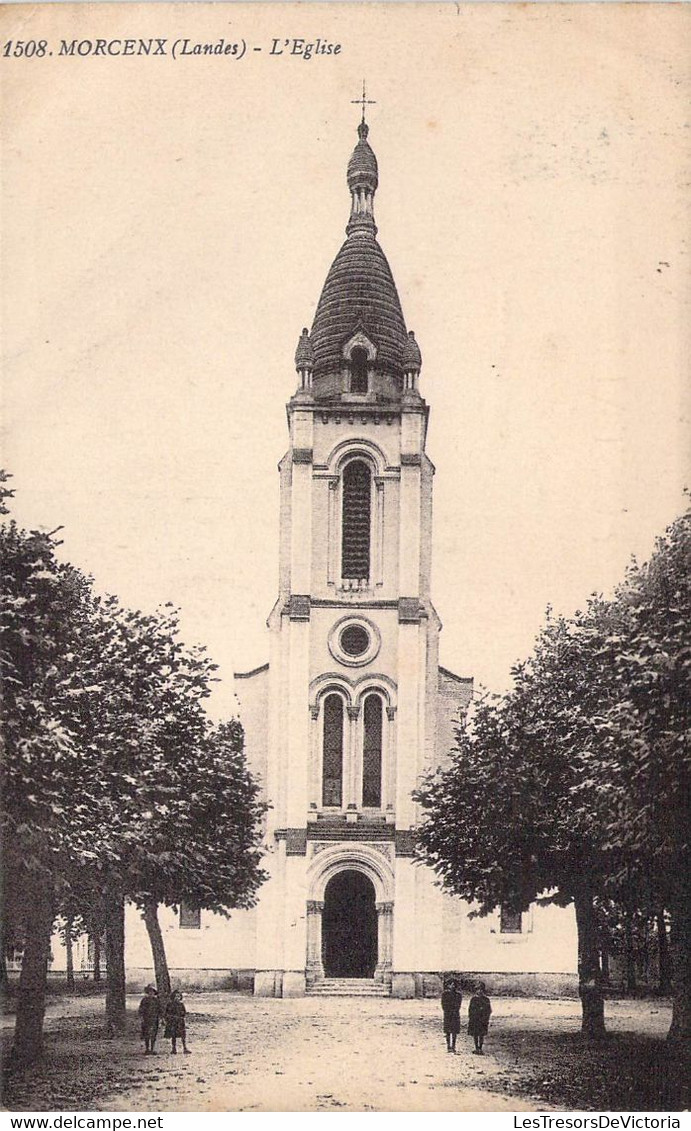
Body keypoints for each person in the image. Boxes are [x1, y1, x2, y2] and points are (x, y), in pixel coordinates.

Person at [468, 981, 492, 1054]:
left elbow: (489, 1010)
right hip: (475, 1019)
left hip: (483, 1019)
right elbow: (470, 1009)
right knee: (475, 1034)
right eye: (478, 990)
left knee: (481, 1034)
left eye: (481, 990)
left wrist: (486, 1017)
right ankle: (476, 1048)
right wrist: (471, 1017)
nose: (480, 991)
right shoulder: (473, 999)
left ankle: (480, 1048)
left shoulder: (486, 1000)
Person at [164, 989, 191, 1054]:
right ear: (173, 997)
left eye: (178, 996)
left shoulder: (181, 1004)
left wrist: (181, 1016)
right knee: (173, 1035)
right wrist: (170, 1018)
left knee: (183, 1035)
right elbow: (167, 1013)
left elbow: (184, 1012)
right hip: (173, 1022)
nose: (177, 998)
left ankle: (185, 1048)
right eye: (176, 996)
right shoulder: (170, 1004)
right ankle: (174, 1049)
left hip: (180, 1021)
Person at [441, 978, 463, 1053]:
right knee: (447, 1031)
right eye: (451, 984)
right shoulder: (445, 994)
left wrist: (454, 1011)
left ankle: (453, 1046)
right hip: (447, 1014)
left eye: (454, 985)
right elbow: (443, 1005)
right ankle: (448, 1046)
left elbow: (458, 1005)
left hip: (455, 1014)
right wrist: (448, 1011)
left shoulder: (458, 995)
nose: (453, 986)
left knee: (454, 1031)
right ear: (449, 985)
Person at [138, 984, 161, 1055]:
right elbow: (141, 1010)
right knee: (146, 1034)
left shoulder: (156, 1000)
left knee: (154, 1034)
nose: (151, 993)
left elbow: (159, 1010)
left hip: (154, 1019)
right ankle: (147, 1049)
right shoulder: (144, 1000)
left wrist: (161, 1018)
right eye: (150, 992)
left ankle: (152, 1049)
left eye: (153, 992)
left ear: (154, 993)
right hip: (146, 1019)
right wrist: (141, 1018)